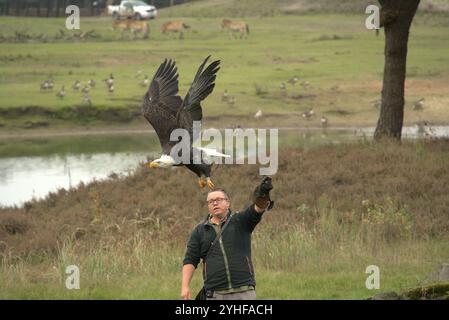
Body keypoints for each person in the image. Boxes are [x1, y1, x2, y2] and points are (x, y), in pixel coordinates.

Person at [181, 177, 274, 300]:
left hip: (244, 291)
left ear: (228, 202)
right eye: (211, 201)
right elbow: (190, 260)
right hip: (215, 294)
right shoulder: (200, 231)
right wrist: (185, 286)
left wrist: (263, 196)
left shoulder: (241, 221)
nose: (215, 203)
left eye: (218, 200)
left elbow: (257, 210)